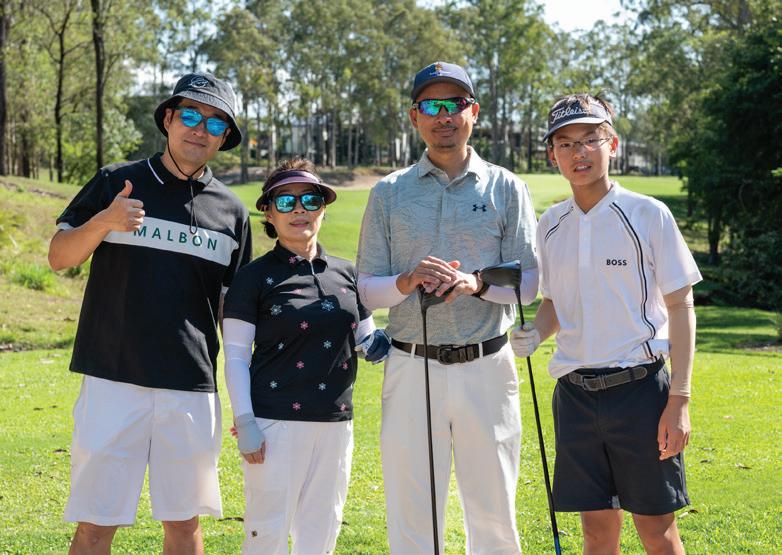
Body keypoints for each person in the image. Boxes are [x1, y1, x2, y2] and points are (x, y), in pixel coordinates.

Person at [48, 72, 252, 554]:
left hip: (190, 387)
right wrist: (103, 221)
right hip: (112, 379)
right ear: (168, 119)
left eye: (215, 123)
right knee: (95, 526)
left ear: (224, 137)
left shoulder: (232, 212)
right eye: (190, 115)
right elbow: (59, 256)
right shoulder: (116, 182)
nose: (200, 129)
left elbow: (235, 312)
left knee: (184, 524)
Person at [356, 61, 539, 554]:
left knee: (494, 510)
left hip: (488, 365)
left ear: (473, 112)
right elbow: (366, 290)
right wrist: (406, 280)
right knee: (412, 508)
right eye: (431, 105)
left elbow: (528, 284)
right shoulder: (389, 192)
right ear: (414, 116)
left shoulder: (506, 187)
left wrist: (476, 284)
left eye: (455, 104)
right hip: (411, 365)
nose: (444, 116)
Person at [510, 93, 700, 554]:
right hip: (574, 397)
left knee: (657, 530)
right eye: (565, 143)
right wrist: (537, 332)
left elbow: (681, 306)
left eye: (589, 139)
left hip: (641, 393)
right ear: (552, 155)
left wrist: (679, 400)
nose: (579, 153)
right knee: (596, 532)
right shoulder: (551, 224)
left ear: (611, 144)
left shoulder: (648, 214)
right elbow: (555, 301)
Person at [221, 158, 390, 555]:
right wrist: (245, 421)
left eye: (310, 200)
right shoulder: (252, 278)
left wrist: (381, 344)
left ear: (323, 208)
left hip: (336, 423)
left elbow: (366, 338)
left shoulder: (348, 273)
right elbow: (235, 357)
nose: (300, 210)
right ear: (269, 213)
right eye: (286, 201)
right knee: (266, 534)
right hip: (274, 425)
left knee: (321, 530)